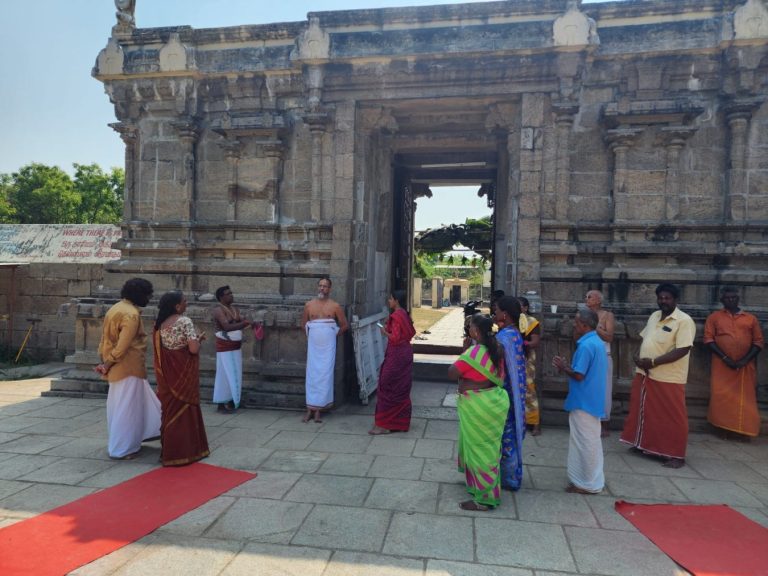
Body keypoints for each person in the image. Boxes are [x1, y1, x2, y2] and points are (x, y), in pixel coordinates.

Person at [620, 283, 696, 468]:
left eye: (667, 298)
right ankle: (644, 445)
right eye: (661, 298)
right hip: (645, 373)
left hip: (668, 376)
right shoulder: (654, 316)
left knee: (673, 416)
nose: (663, 301)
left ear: (675, 300)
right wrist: (637, 355)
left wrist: (653, 362)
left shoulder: (684, 321)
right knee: (644, 411)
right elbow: (645, 339)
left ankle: (676, 455)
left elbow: (683, 350)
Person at [448, 313, 510, 511]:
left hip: (478, 405)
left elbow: (452, 373)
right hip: (495, 402)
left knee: (480, 450)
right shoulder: (498, 349)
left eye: (471, 328)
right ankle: (480, 486)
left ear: (474, 331)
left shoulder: (473, 353)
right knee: (488, 448)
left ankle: (485, 499)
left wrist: (464, 351)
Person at [95, 278, 161, 460]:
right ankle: (122, 449)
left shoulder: (115, 308)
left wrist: (104, 362)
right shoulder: (131, 314)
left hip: (118, 367)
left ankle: (145, 433)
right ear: (139, 294)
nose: (150, 299)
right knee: (127, 409)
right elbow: (123, 345)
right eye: (148, 295)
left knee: (120, 406)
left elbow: (105, 340)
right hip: (128, 367)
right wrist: (107, 364)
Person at [553, 308, 608, 494]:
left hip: (584, 400)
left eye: (576, 323)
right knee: (589, 440)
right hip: (592, 398)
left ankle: (588, 483)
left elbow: (578, 375)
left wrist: (563, 367)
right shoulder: (596, 342)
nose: (574, 326)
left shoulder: (586, 346)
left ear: (584, 326)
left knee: (585, 442)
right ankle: (588, 479)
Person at [153, 291, 210, 466]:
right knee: (185, 412)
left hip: (168, 378)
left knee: (169, 413)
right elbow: (192, 349)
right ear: (177, 306)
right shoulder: (185, 321)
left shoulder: (160, 325)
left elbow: (169, 350)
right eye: (184, 302)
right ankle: (187, 451)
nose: (187, 304)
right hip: (183, 374)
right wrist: (198, 340)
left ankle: (169, 453)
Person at [704, 287, 764, 440]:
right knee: (721, 396)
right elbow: (709, 340)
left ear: (738, 299)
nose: (730, 300)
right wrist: (726, 359)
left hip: (745, 366)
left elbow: (758, 342)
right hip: (721, 364)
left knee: (744, 398)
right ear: (722, 300)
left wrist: (744, 360)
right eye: (727, 298)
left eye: (733, 298)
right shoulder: (714, 318)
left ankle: (743, 431)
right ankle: (723, 429)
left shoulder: (750, 319)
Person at [302, 277, 349, 423]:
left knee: (325, 375)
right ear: (318, 287)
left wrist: (331, 334)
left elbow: (344, 325)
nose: (322, 288)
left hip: (328, 348)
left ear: (330, 289)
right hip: (314, 347)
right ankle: (310, 409)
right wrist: (315, 334)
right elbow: (304, 324)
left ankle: (319, 409)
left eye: (325, 286)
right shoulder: (309, 305)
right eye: (320, 286)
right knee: (312, 375)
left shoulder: (335, 306)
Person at [370, 290, 416, 435]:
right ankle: (398, 423)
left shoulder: (397, 316)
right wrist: (388, 325)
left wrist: (384, 332)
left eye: (390, 299)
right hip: (405, 353)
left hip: (397, 354)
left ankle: (384, 424)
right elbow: (408, 332)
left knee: (386, 386)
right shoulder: (403, 314)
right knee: (399, 387)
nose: (388, 301)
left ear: (396, 300)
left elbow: (395, 338)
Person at [493, 296, 527, 491]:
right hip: (516, 392)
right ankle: (512, 474)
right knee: (511, 433)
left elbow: (492, 362)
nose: (495, 313)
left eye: (497, 310)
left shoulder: (504, 337)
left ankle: (509, 478)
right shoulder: (514, 334)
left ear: (504, 314)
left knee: (505, 435)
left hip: (505, 394)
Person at [212, 285, 251, 414]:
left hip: (235, 346)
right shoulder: (218, 310)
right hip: (225, 346)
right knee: (224, 374)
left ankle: (233, 400)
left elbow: (239, 322)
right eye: (228, 294)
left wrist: (253, 323)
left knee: (235, 373)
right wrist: (244, 323)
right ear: (221, 297)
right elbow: (226, 327)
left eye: (231, 293)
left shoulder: (234, 309)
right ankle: (221, 404)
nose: (231, 295)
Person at [585, 290, 615, 437]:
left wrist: (595, 328)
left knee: (604, 390)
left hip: (603, 356)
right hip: (587, 356)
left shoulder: (607, 315)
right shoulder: (583, 315)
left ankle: (604, 423)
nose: (586, 299)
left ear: (598, 300)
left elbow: (609, 337)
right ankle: (589, 422)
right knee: (587, 389)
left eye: (589, 297)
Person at [518, 295, 542, 435]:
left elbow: (535, 342)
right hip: (514, 358)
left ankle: (535, 424)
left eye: (519, 306)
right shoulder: (513, 321)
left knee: (529, 389)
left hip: (527, 358)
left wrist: (521, 343)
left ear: (526, 308)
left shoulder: (532, 322)